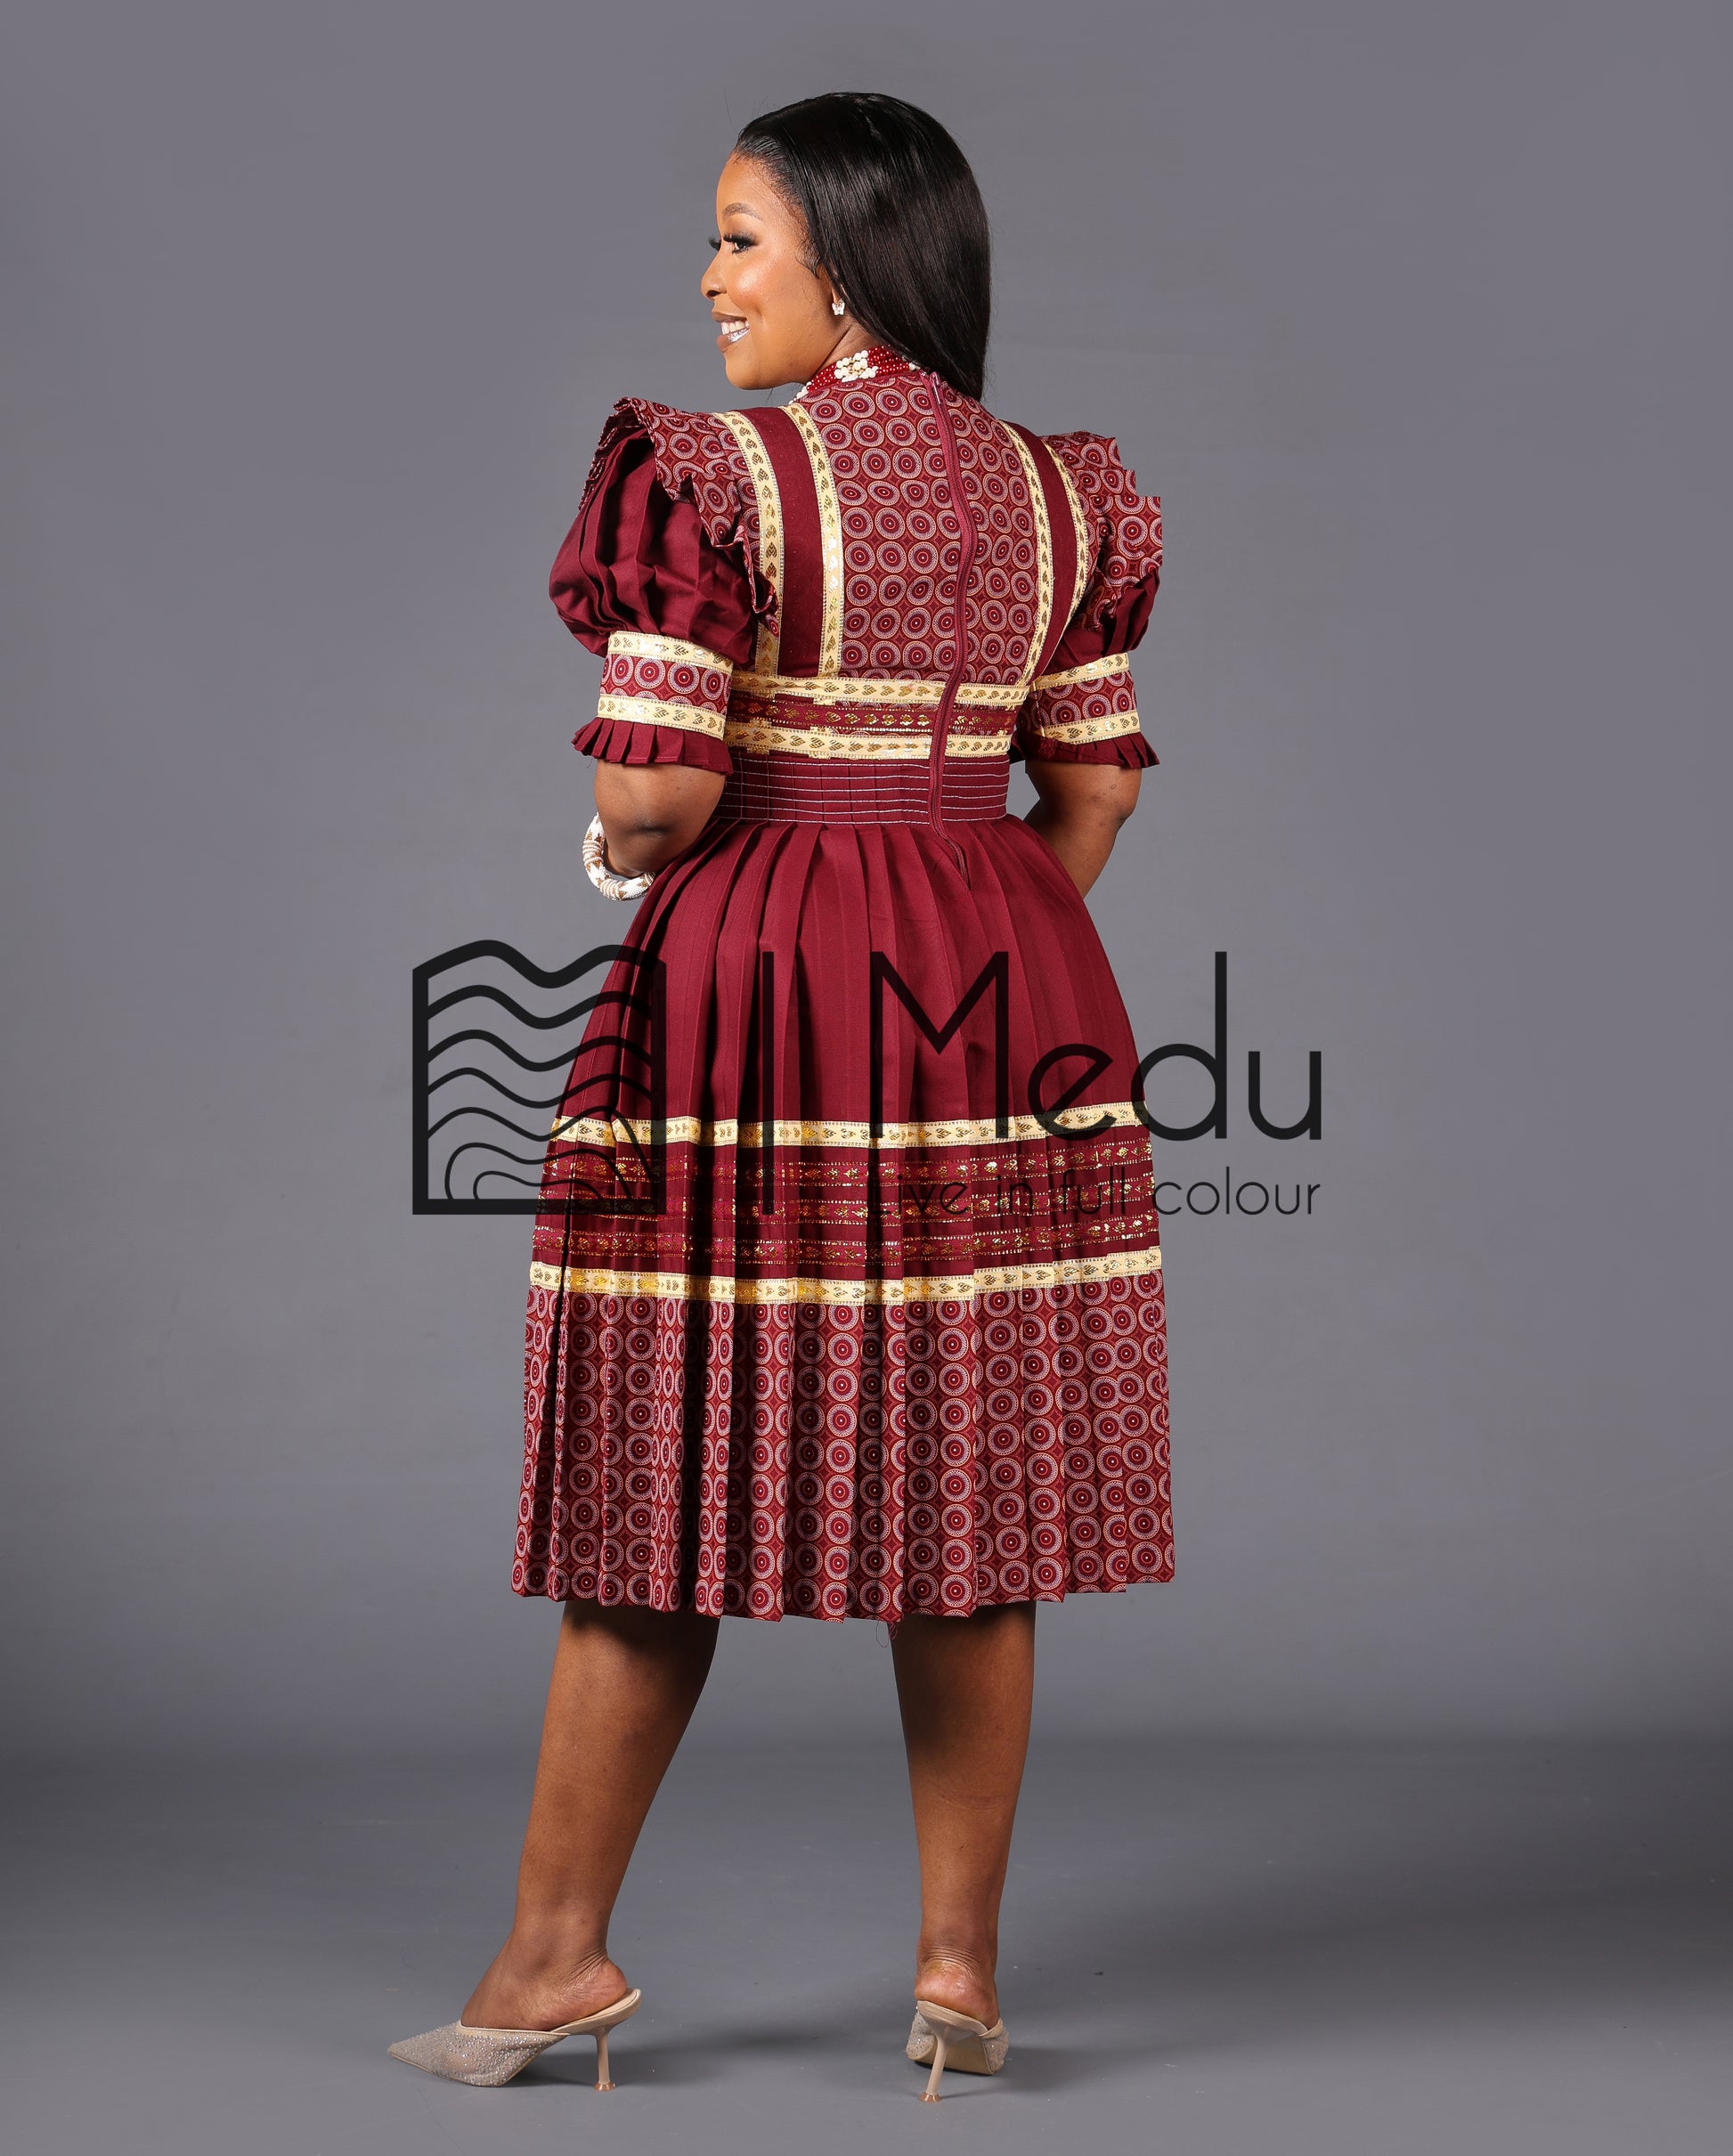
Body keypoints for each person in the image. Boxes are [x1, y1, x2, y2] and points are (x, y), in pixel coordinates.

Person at [390, 89, 1172, 2103]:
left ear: (845, 256)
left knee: (660, 1475)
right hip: (1006, 996)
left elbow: (658, 794)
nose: (711, 277)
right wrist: (975, 930)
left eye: (740, 237)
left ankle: (551, 1959)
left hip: (756, 981)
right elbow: (1090, 786)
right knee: (972, 1499)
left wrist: (626, 849)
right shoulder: (1067, 493)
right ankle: (957, 1973)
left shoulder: (713, 473)